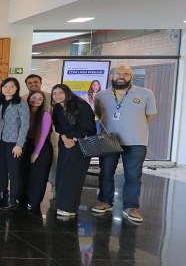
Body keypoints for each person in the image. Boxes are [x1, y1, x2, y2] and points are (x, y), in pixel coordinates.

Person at [92, 66, 156, 223]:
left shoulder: (146, 93)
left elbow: (148, 117)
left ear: (131, 76)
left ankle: (131, 207)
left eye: (126, 74)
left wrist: (137, 132)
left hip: (136, 142)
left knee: (133, 176)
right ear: (112, 77)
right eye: (118, 74)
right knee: (106, 173)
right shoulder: (100, 95)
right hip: (109, 140)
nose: (122, 76)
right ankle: (105, 202)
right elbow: (99, 116)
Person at [51, 84, 96, 218]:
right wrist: (65, 139)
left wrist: (74, 140)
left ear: (67, 93)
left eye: (60, 93)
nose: (57, 96)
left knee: (73, 176)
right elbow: (58, 126)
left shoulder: (81, 105)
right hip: (65, 143)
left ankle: (69, 208)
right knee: (63, 174)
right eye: (54, 94)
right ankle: (61, 204)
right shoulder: (58, 107)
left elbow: (88, 127)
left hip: (80, 143)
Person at [0, 77, 29, 211]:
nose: (8, 89)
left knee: (13, 170)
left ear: (16, 89)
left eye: (12, 86)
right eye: (5, 86)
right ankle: (3, 196)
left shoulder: (21, 103)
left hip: (14, 142)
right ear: (2, 88)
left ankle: (13, 198)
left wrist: (19, 144)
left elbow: (25, 125)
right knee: (1, 169)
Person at [23, 90, 53, 211]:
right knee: (25, 174)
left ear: (43, 102)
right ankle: (23, 199)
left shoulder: (46, 115)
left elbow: (43, 136)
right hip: (26, 145)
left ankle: (34, 202)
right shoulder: (24, 112)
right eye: (34, 97)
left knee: (38, 176)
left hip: (41, 148)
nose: (36, 100)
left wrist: (36, 153)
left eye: (40, 99)